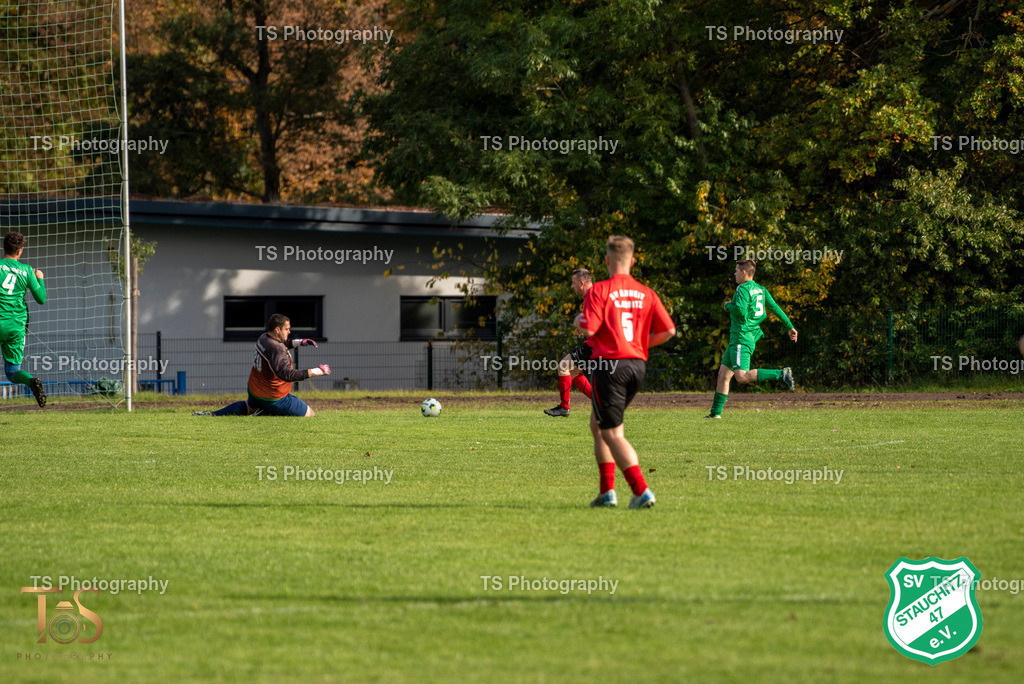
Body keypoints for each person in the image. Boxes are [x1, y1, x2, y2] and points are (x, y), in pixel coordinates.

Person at [576, 236, 675, 509]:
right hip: (637, 366)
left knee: (612, 434)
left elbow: (589, 329)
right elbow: (669, 331)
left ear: (607, 261)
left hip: (610, 366)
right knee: (598, 426)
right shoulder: (646, 292)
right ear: (632, 262)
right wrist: (641, 345)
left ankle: (641, 491)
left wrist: (578, 319)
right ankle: (607, 492)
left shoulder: (599, 290)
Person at [706, 259, 797, 419]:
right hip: (741, 338)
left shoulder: (742, 289)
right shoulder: (761, 290)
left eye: (735, 271)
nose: (734, 275)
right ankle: (715, 414)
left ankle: (781, 373)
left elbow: (740, 311)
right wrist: (790, 327)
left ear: (743, 272)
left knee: (741, 377)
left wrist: (728, 305)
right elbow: (775, 308)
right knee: (723, 375)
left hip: (741, 337)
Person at [194, 314, 329, 417]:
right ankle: (267, 412)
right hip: (273, 397)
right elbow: (286, 375)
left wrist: (300, 342)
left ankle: (214, 414)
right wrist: (318, 371)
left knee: (249, 407)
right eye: (287, 329)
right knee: (311, 414)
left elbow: (280, 345)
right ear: (277, 329)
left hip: (255, 390)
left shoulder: (264, 337)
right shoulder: (277, 349)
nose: (289, 332)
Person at [0, 232, 47, 407]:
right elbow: (41, 298)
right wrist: (40, 279)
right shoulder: (27, 270)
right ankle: (31, 381)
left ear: (4, 247)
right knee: (12, 372)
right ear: (20, 251)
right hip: (16, 326)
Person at [544, 268, 594, 417]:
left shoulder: (592, 297)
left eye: (573, 283)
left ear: (582, 283)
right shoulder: (591, 296)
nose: (572, 287)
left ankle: (564, 408)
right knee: (572, 372)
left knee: (563, 366)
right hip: (596, 344)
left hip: (594, 345)